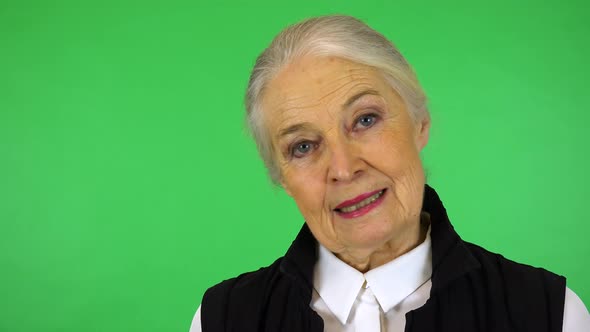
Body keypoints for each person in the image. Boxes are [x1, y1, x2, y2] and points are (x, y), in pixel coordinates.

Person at [190, 15, 589, 331]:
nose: (344, 170)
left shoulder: (551, 314)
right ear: (281, 176)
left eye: (365, 119)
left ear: (420, 121)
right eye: (303, 147)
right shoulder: (220, 320)